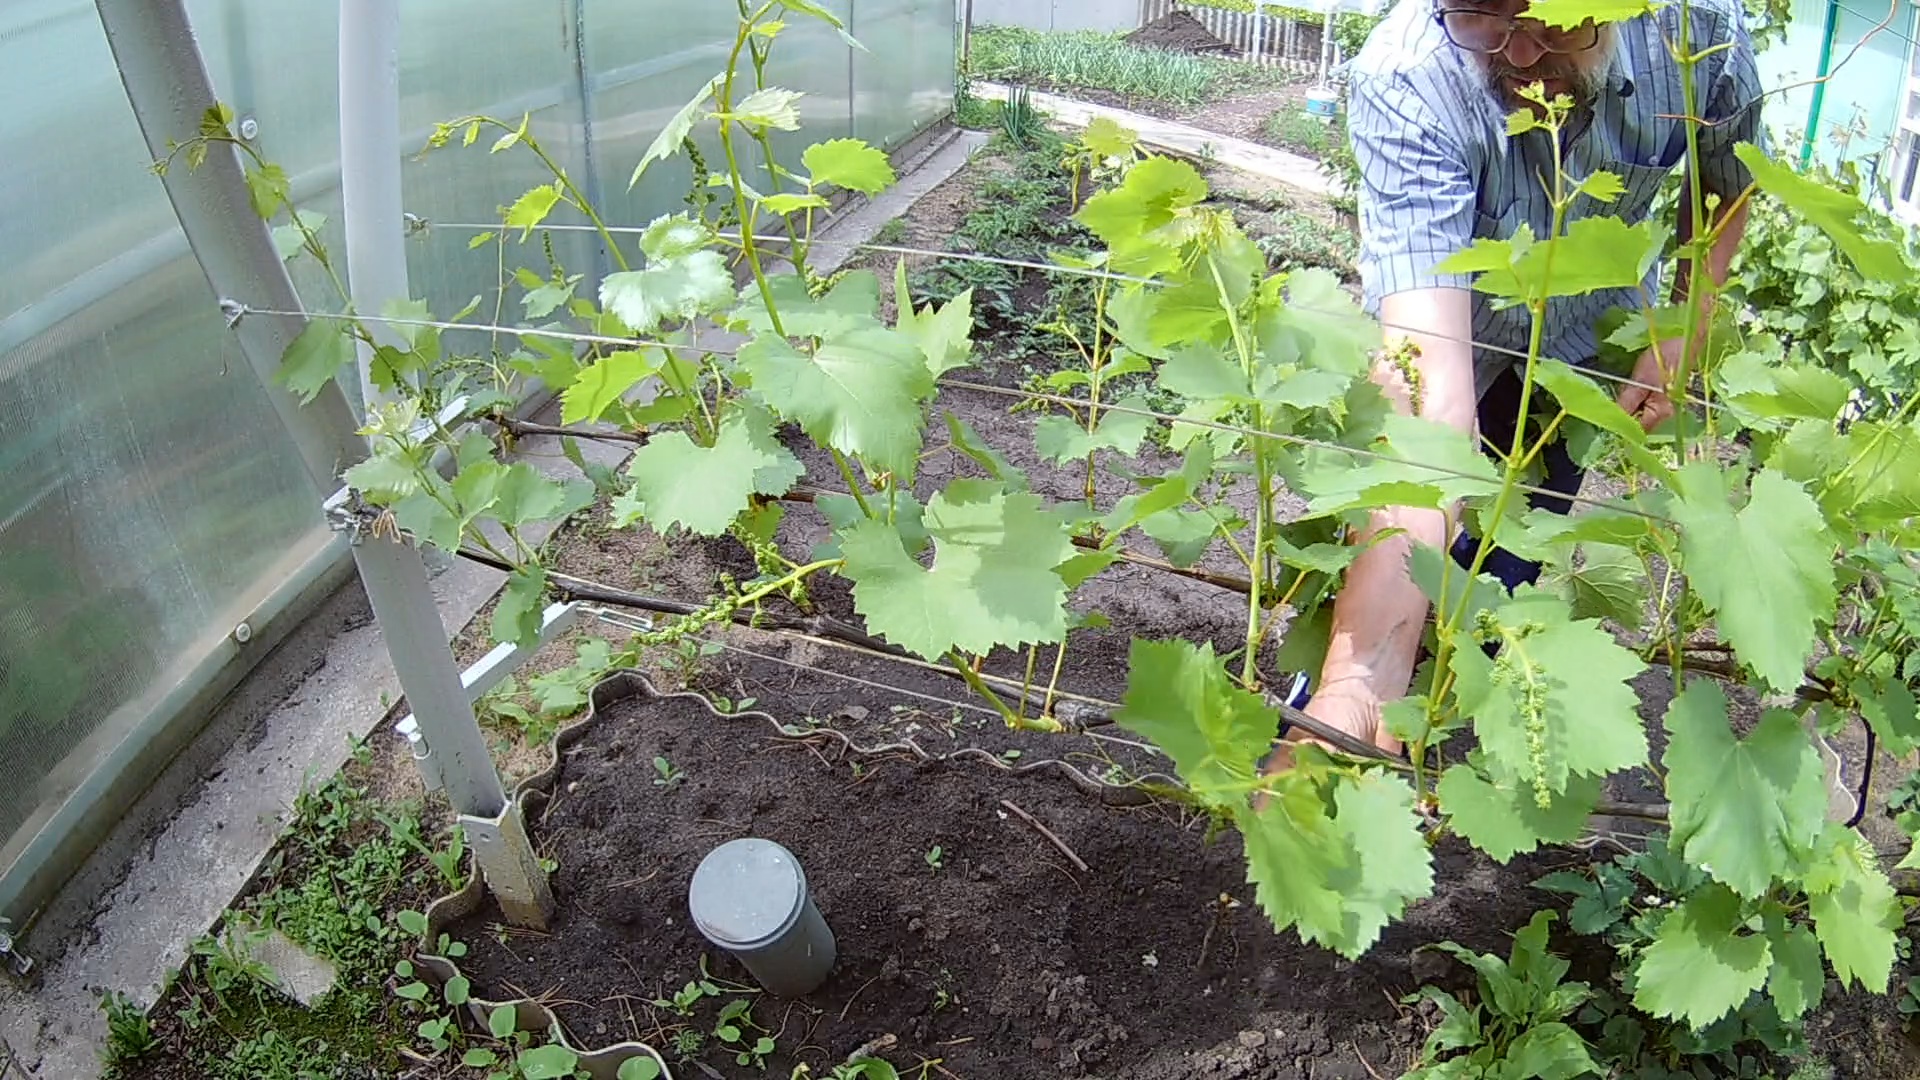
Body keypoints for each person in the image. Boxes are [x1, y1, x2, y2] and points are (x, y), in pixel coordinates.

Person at [1276, 0, 1763, 757]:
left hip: (1576, 353)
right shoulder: (1411, 71)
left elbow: (1725, 178)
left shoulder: (1698, 33)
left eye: (1553, 25)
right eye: (1482, 16)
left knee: (1510, 564)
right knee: (1389, 560)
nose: (1522, 56)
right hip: (1457, 334)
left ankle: (1461, 727)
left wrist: (1681, 328)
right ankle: (1344, 707)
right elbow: (1426, 394)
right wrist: (1360, 678)